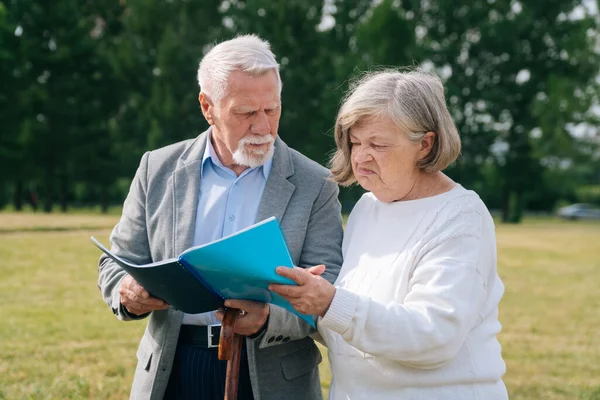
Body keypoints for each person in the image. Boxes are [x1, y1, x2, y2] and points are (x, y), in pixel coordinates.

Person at [97, 34, 343, 400]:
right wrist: (127, 291)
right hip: (173, 368)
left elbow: (332, 282)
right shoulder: (157, 168)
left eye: (272, 109)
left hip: (274, 377)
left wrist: (268, 319)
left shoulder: (316, 184)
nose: (263, 127)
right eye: (246, 113)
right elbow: (117, 263)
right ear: (207, 107)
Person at [270, 69, 508, 399]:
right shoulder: (368, 208)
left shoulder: (460, 216)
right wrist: (295, 303)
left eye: (378, 145)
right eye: (355, 142)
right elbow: (355, 329)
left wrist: (331, 301)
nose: (361, 157)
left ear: (425, 144)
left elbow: (434, 335)